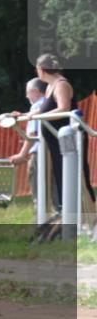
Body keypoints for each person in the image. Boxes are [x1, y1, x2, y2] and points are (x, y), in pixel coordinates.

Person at [27, 53, 95, 212]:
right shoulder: (50, 87)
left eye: (37, 69)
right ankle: (69, 216)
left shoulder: (61, 85)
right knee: (61, 177)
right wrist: (23, 116)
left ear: (42, 70)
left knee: (77, 176)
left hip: (69, 140)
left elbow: (63, 108)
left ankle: (87, 216)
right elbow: (43, 110)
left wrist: (37, 116)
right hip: (55, 141)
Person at [7, 77, 48, 204]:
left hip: (39, 154)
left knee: (39, 193)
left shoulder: (36, 105)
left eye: (27, 92)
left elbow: (32, 134)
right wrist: (22, 116)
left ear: (35, 91)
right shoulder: (48, 103)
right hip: (52, 152)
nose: (26, 96)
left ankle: (42, 220)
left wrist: (22, 155)